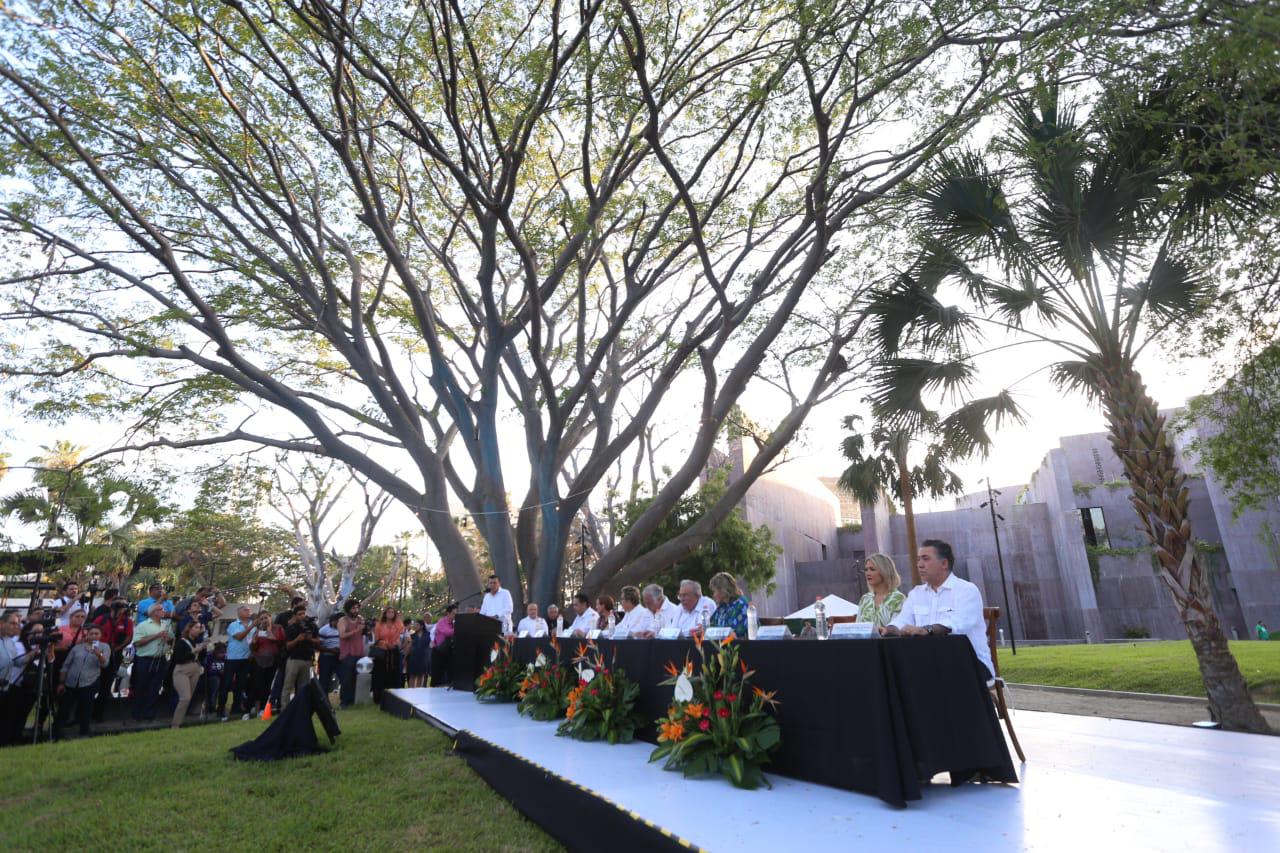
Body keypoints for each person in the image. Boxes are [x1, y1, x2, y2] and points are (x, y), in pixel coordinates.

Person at [883, 539, 994, 680]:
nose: (919, 565)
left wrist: (926, 629)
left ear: (944, 563)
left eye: (925, 559)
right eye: (918, 560)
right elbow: (902, 620)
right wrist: (889, 629)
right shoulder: (916, 593)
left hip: (970, 662)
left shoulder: (966, 590)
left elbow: (958, 623)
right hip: (929, 660)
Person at [53, 623, 108, 739]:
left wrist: (99, 654)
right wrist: (61, 682)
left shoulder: (104, 647)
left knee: (86, 708)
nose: (93, 636)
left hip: (89, 682)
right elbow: (66, 665)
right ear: (87, 635)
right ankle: (55, 733)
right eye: (91, 633)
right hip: (71, 682)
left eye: (96, 634)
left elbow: (105, 664)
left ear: (101, 635)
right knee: (64, 709)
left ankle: (84, 733)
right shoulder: (78, 647)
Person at [92, 600, 132, 722]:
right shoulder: (101, 619)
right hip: (99, 651)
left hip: (116, 653)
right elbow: (92, 632)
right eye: (119, 609)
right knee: (93, 683)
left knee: (107, 684)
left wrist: (118, 648)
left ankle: (99, 714)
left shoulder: (127, 621)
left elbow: (129, 637)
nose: (121, 612)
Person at [131, 603, 173, 721]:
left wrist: (168, 639)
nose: (163, 611)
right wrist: (156, 636)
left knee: (155, 686)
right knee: (141, 686)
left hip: (161, 658)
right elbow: (137, 642)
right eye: (161, 609)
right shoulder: (143, 625)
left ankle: (150, 713)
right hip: (145, 660)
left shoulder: (166, 624)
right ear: (154, 612)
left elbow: (171, 640)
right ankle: (137, 713)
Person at [170, 620, 209, 728]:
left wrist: (203, 649)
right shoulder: (181, 641)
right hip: (182, 670)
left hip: (195, 669)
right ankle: (175, 725)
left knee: (188, 698)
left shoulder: (196, 642)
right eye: (196, 627)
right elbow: (177, 659)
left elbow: (201, 658)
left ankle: (179, 722)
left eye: (199, 628)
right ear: (189, 629)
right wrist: (194, 651)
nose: (198, 630)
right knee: (185, 697)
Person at [281, 605, 320, 709]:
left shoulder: (311, 626)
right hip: (294, 660)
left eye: (304, 613)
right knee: (288, 686)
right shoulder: (291, 628)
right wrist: (297, 639)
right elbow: (287, 646)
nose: (302, 616)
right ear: (295, 615)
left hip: (307, 660)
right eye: (299, 614)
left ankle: (301, 709)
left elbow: (319, 641)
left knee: (303, 687)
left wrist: (310, 639)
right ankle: (285, 709)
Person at [246, 612, 284, 718]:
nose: (264, 620)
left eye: (266, 618)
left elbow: (283, 643)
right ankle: (248, 710)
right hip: (258, 661)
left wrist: (273, 637)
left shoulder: (278, 628)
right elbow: (253, 649)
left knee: (267, 686)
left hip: (273, 661)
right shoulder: (258, 631)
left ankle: (263, 709)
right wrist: (254, 642)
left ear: (270, 617)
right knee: (255, 685)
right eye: (261, 619)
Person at [856, 553, 907, 630]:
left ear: (884, 571)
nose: (868, 573)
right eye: (866, 570)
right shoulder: (865, 599)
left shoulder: (898, 599)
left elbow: (898, 628)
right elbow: (857, 628)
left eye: (872, 569)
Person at [222, 605, 255, 720]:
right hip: (232, 658)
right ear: (239, 612)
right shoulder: (234, 625)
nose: (248, 611)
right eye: (245, 609)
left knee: (240, 685)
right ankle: (221, 709)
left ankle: (236, 708)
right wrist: (252, 626)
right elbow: (239, 637)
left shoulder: (253, 624)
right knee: (226, 684)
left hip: (246, 659)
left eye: (249, 610)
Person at [371, 607, 404, 703]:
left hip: (394, 652)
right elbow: (377, 639)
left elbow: (400, 636)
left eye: (392, 612)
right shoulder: (379, 625)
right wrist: (385, 644)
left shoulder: (398, 624)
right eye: (389, 612)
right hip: (382, 652)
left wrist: (394, 644)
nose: (391, 613)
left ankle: (393, 697)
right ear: (385, 613)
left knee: (394, 674)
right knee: (380, 674)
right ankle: (379, 697)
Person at [337, 599, 365, 709]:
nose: (356, 610)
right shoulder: (342, 620)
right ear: (348, 609)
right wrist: (356, 630)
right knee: (346, 679)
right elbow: (342, 635)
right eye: (353, 608)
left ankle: (354, 701)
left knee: (356, 679)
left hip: (359, 653)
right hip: (347, 654)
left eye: (357, 608)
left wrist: (365, 628)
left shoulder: (360, 619)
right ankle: (344, 702)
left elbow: (363, 632)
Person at [430, 604, 456, 687]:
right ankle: (433, 692)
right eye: (454, 613)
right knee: (437, 675)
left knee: (450, 673)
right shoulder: (442, 621)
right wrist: (458, 629)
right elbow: (447, 632)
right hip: (438, 651)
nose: (455, 615)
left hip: (448, 651)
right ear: (448, 613)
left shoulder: (453, 623)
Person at [317, 612, 342, 699]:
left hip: (340, 657)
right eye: (339, 621)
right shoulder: (324, 630)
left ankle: (344, 701)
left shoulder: (342, 629)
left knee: (344, 678)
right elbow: (318, 646)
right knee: (324, 680)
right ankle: (323, 701)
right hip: (326, 657)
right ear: (334, 621)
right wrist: (330, 650)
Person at [204, 642, 228, 720]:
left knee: (225, 685)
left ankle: (221, 708)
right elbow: (208, 671)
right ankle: (211, 706)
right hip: (213, 677)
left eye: (224, 653)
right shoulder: (210, 656)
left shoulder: (226, 658)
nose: (222, 655)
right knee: (215, 683)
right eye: (221, 653)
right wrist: (218, 672)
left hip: (223, 677)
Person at [406, 620, 432, 688]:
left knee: (421, 675)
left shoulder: (428, 635)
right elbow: (409, 647)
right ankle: (411, 691)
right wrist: (405, 657)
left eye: (417, 625)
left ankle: (419, 692)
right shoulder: (412, 635)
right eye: (415, 625)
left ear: (421, 626)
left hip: (423, 657)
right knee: (412, 675)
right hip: (414, 657)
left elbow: (431, 645)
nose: (415, 626)